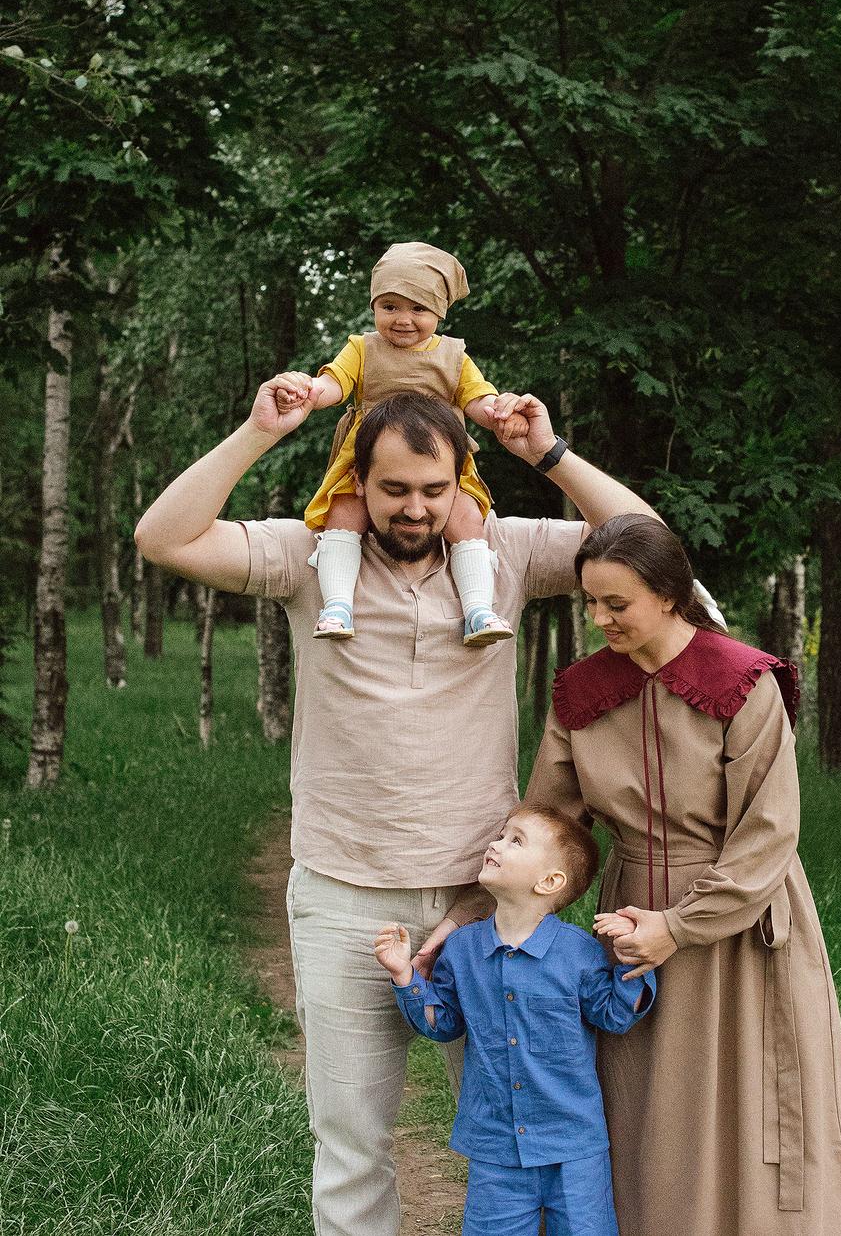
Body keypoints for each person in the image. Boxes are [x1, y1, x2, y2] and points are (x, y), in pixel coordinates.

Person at [133, 378, 696, 1236]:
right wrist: (257, 430)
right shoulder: (311, 556)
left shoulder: (502, 554)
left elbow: (650, 543)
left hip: (492, 905)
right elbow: (162, 536)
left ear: (462, 484)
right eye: (394, 489)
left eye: (435, 491)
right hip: (344, 896)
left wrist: (546, 454)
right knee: (353, 1145)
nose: (415, 509)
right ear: (359, 483)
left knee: (532, 1139)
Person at [525, 513, 841, 1236]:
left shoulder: (743, 684)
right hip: (627, 927)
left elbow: (768, 834)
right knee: (651, 1116)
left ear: (670, 594)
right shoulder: (581, 695)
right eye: (590, 602)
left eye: (615, 603)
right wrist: (497, 920)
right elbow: (552, 827)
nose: (599, 619)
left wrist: (679, 929)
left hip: (740, 929)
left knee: (754, 1111)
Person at [373, 804, 655, 1236]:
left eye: (516, 841)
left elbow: (615, 1015)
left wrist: (633, 958)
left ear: (549, 882)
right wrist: (405, 975)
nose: (497, 844)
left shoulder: (578, 952)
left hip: (574, 1146)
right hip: (495, 1146)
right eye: (502, 835)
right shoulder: (463, 949)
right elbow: (443, 1022)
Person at [275, 241, 516, 646]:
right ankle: (336, 606)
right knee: (344, 513)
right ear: (373, 308)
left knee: (466, 519)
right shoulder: (363, 348)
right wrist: (309, 390)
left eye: (418, 309)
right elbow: (334, 383)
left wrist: (501, 411)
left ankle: (478, 609)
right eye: (390, 307)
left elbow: (478, 399)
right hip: (369, 461)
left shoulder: (454, 356)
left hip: (437, 461)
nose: (403, 319)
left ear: (439, 312)